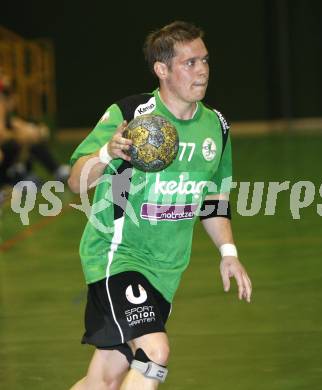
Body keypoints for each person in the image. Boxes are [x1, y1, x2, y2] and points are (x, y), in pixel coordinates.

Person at [68, 20, 252, 389]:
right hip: (118, 255)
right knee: (154, 352)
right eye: (190, 63)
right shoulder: (131, 115)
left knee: (104, 378)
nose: (202, 70)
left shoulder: (216, 126)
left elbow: (214, 196)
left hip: (167, 268)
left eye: (205, 61)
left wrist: (228, 252)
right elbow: (75, 181)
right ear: (162, 69)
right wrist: (107, 152)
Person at [0, 70, 70, 188]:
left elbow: (16, 123)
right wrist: (21, 136)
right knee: (17, 142)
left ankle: (25, 173)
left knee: (31, 136)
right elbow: (2, 135)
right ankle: (12, 178)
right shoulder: (1, 105)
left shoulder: (7, 112)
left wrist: (33, 130)